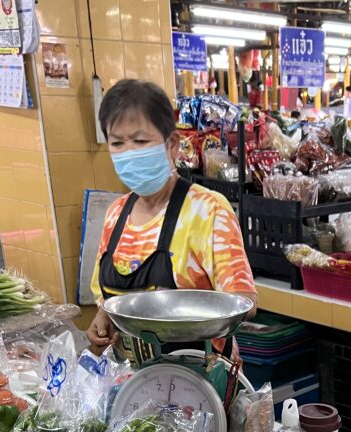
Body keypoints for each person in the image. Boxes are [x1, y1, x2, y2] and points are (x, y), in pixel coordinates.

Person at [87, 79, 256, 356]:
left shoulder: (208, 210)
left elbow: (245, 302)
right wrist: (103, 317)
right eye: (117, 143)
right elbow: (105, 299)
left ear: (173, 144)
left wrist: (170, 313)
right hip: (130, 382)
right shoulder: (115, 214)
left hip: (199, 379)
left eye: (141, 141)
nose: (129, 152)